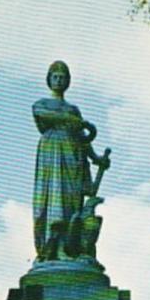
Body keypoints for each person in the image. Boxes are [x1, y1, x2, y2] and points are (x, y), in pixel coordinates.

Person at [32, 61, 109, 260]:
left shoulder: (73, 109)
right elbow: (42, 115)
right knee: (53, 200)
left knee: (71, 203)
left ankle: (68, 247)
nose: (59, 80)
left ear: (68, 81)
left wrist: (96, 158)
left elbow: (83, 139)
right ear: (49, 80)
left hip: (72, 156)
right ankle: (54, 248)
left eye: (62, 77)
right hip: (52, 154)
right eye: (55, 76)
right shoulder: (41, 104)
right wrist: (72, 121)